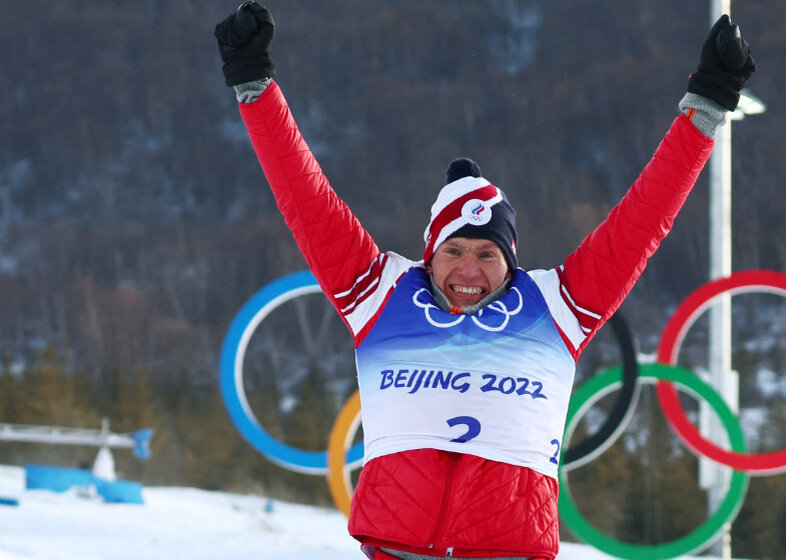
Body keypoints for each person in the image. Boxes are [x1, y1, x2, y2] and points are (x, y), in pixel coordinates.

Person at [214, 4, 754, 559]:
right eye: (454, 251)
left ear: (511, 261)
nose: (469, 271)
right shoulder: (378, 293)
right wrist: (255, 86)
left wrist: (708, 105)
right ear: (430, 255)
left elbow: (643, 220)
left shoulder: (559, 306)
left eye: (488, 255)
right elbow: (305, 198)